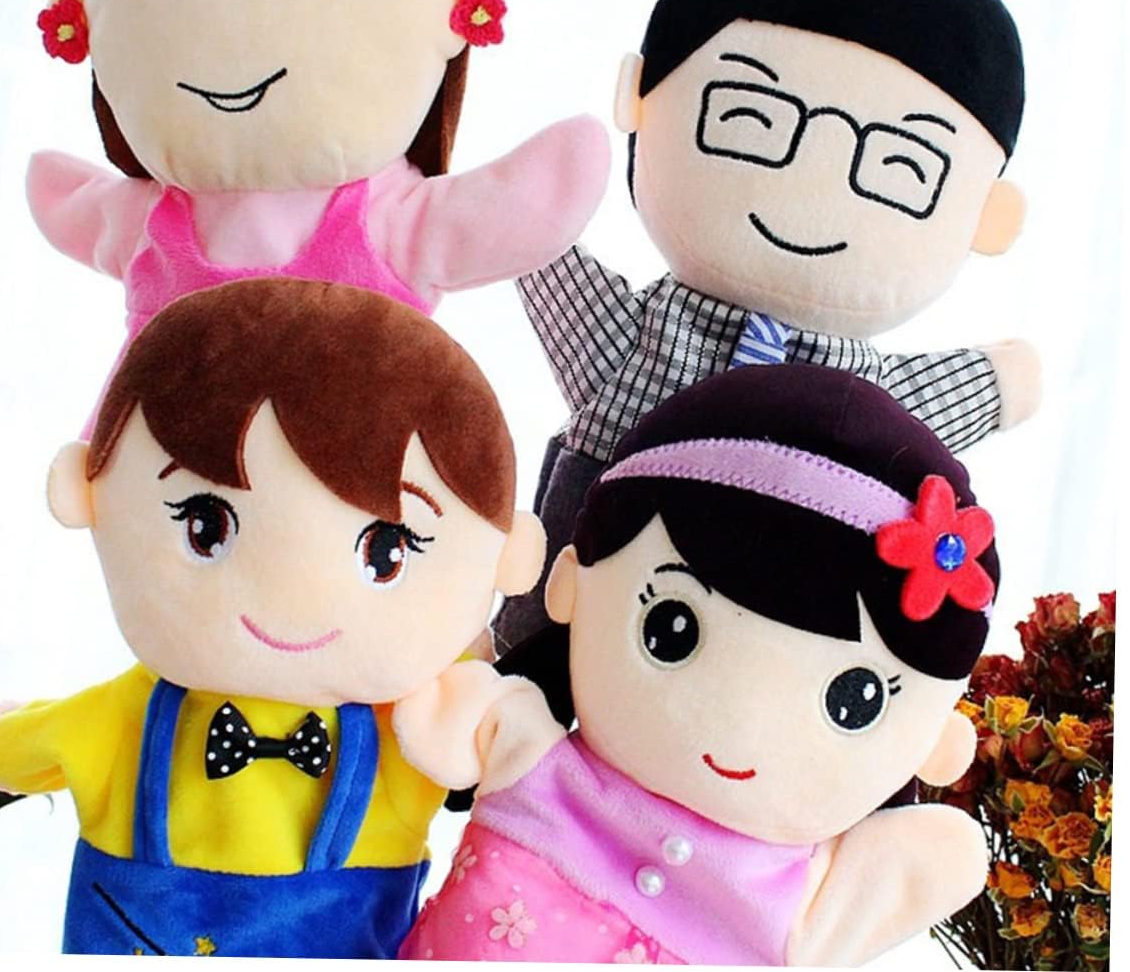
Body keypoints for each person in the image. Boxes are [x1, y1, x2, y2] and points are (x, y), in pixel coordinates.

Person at [497, 0, 1038, 652]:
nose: (816, 180)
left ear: (988, 217)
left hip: (772, 665)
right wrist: (518, 225)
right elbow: (538, 254)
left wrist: (994, 381)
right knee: (539, 681)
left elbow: (919, 402)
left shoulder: (863, 396)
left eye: (896, 166)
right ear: (636, 100)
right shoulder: (648, 340)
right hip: (576, 627)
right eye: (754, 120)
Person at [0, 277, 544, 957]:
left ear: (508, 558)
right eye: (205, 526)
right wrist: (1, 743)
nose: (296, 597)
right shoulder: (122, 717)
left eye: (386, 552)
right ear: (82, 492)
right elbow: (25, 743)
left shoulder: (414, 725)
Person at [396, 365, 995, 964]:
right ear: (570, 586)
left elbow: (930, 865)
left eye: (854, 701)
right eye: (670, 630)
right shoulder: (530, 761)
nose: (743, 722)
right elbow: (443, 711)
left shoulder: (809, 907)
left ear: (935, 744)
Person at [27, 0, 608, 346]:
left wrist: (548, 179)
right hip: (159, 414)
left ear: (457, 7)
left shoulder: (384, 220)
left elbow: (496, 215)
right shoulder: (152, 221)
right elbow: (70, 202)